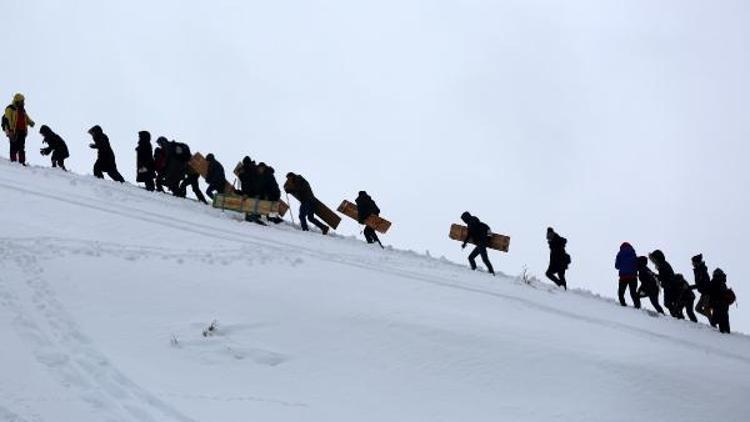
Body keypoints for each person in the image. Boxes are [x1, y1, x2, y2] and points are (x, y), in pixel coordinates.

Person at [2, 93, 35, 165]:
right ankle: (13, 162)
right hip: (14, 131)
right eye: (22, 101)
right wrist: (10, 130)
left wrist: (30, 122)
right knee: (13, 146)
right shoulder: (10, 109)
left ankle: (22, 162)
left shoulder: (22, 110)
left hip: (22, 131)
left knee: (21, 147)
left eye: (23, 101)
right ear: (17, 101)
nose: (23, 103)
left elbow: (26, 118)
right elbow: (8, 119)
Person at [649, 250, 682, 319]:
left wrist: (654, 275)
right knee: (670, 303)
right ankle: (677, 316)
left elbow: (663, 277)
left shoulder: (662, 265)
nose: (653, 261)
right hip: (669, 286)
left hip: (670, 286)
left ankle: (677, 316)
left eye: (654, 259)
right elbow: (664, 276)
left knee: (668, 303)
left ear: (657, 258)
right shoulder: (663, 264)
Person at [615, 242, 640, 308]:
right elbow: (637, 264)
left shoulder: (620, 254)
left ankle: (623, 305)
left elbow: (617, 266)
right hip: (633, 277)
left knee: (621, 292)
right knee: (633, 292)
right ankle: (637, 307)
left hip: (623, 276)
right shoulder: (633, 253)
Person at [709, 268, 733, 334]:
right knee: (724, 319)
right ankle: (727, 333)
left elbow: (713, 293)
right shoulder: (722, 282)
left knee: (717, 320)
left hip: (718, 304)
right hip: (724, 305)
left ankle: (723, 333)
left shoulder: (715, 282)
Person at [690, 254, 713, 323]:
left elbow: (703, 283)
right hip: (703, 293)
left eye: (693, 262)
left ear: (697, 262)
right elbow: (699, 284)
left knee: (706, 308)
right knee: (697, 308)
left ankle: (713, 322)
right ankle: (712, 319)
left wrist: (691, 287)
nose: (692, 264)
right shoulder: (698, 270)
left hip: (707, 293)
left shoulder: (702, 270)